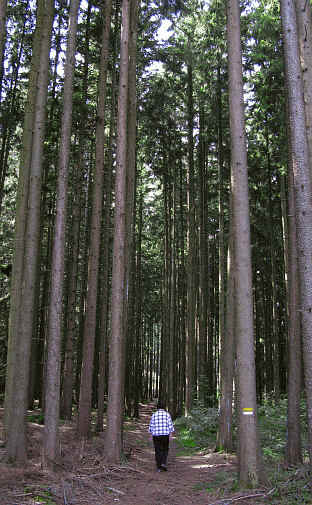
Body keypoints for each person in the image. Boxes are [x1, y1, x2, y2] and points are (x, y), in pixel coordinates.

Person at [149, 400, 174, 472]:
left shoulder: (154, 414)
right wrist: (171, 434)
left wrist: (151, 434)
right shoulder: (167, 414)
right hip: (165, 435)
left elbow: (151, 426)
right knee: (165, 449)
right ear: (164, 407)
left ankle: (159, 467)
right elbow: (170, 425)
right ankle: (163, 463)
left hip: (156, 435)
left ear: (157, 407)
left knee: (157, 450)